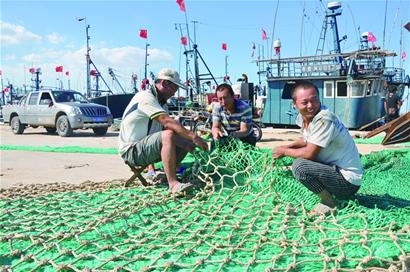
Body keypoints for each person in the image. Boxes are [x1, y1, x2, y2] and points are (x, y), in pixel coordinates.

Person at [272, 80, 363, 216]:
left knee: (299, 166)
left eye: (314, 100)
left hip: (347, 182)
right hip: (334, 171)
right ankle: (329, 195)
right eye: (304, 102)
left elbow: (309, 154)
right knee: (298, 160)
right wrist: (286, 146)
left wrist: (284, 152)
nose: (311, 106)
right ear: (294, 104)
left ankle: (328, 202)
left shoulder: (323, 119)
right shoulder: (305, 118)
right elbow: (306, 139)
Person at [118, 68, 208, 193]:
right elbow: (166, 122)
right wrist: (195, 137)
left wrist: (189, 143)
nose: (175, 92)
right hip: (132, 151)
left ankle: (170, 173)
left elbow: (168, 127)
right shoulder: (145, 97)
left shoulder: (162, 103)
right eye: (175, 88)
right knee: (169, 135)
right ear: (165, 84)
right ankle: (173, 184)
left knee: (184, 140)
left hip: (147, 149)